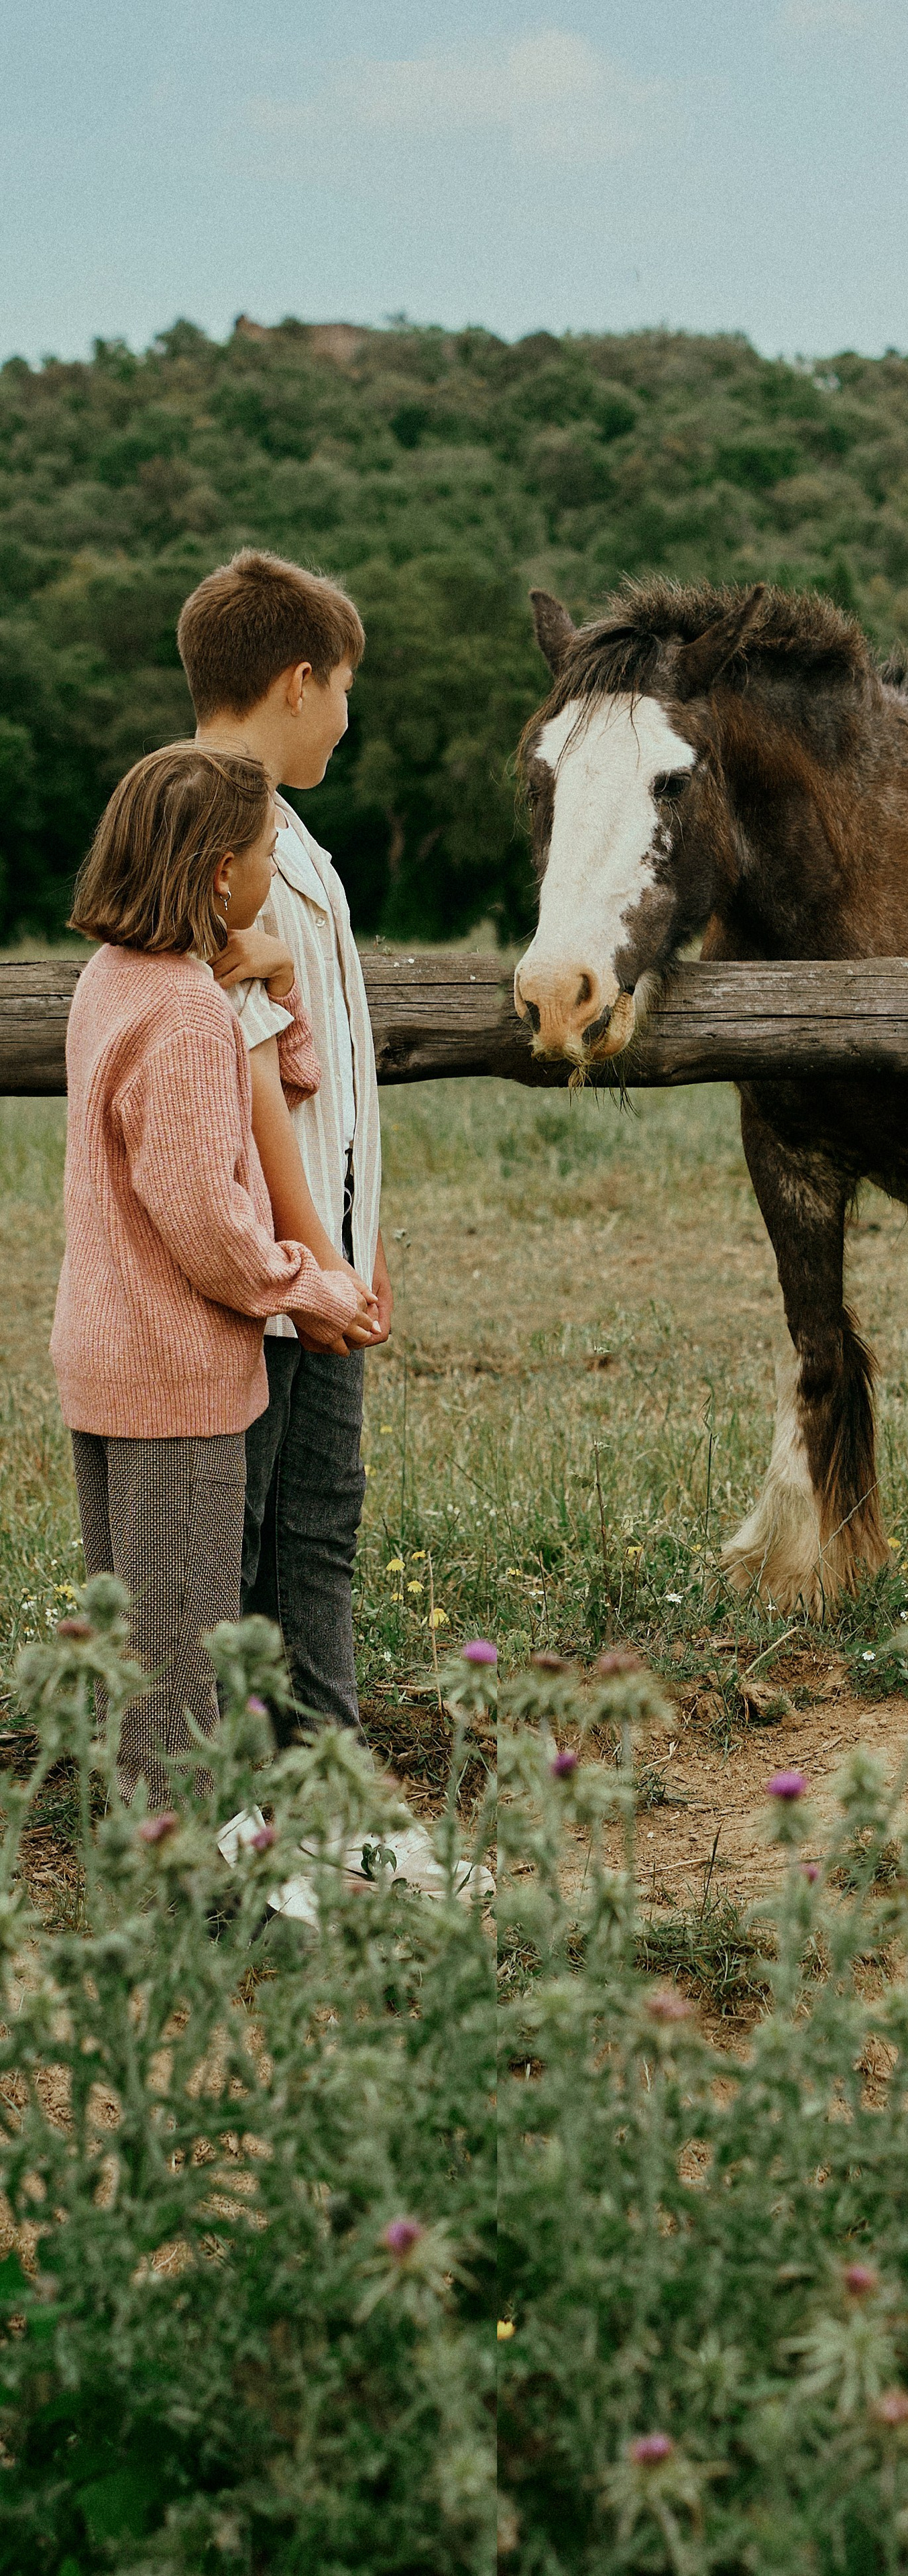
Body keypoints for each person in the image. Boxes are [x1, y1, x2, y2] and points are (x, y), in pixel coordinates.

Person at [52, 747, 376, 1806]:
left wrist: (276, 986)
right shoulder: (186, 1014)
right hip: (178, 1378)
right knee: (184, 1661)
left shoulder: (117, 980)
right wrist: (311, 1287)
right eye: (259, 848)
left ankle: (144, 1856)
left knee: (133, 1640)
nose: (273, 857)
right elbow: (210, 1228)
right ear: (212, 874)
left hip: (108, 1362)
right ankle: (184, 1891)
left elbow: (256, 1103)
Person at [174, 549, 391, 1746]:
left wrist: (364, 1248)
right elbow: (252, 1071)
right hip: (265, 1273)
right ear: (300, 681)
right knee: (251, 1541)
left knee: (320, 1526)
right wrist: (316, 1261)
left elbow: (337, 1071)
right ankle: (243, 1798)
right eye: (346, 689)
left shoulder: (291, 842)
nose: (350, 719)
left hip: (323, 1265)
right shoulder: (212, 838)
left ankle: (329, 1781)